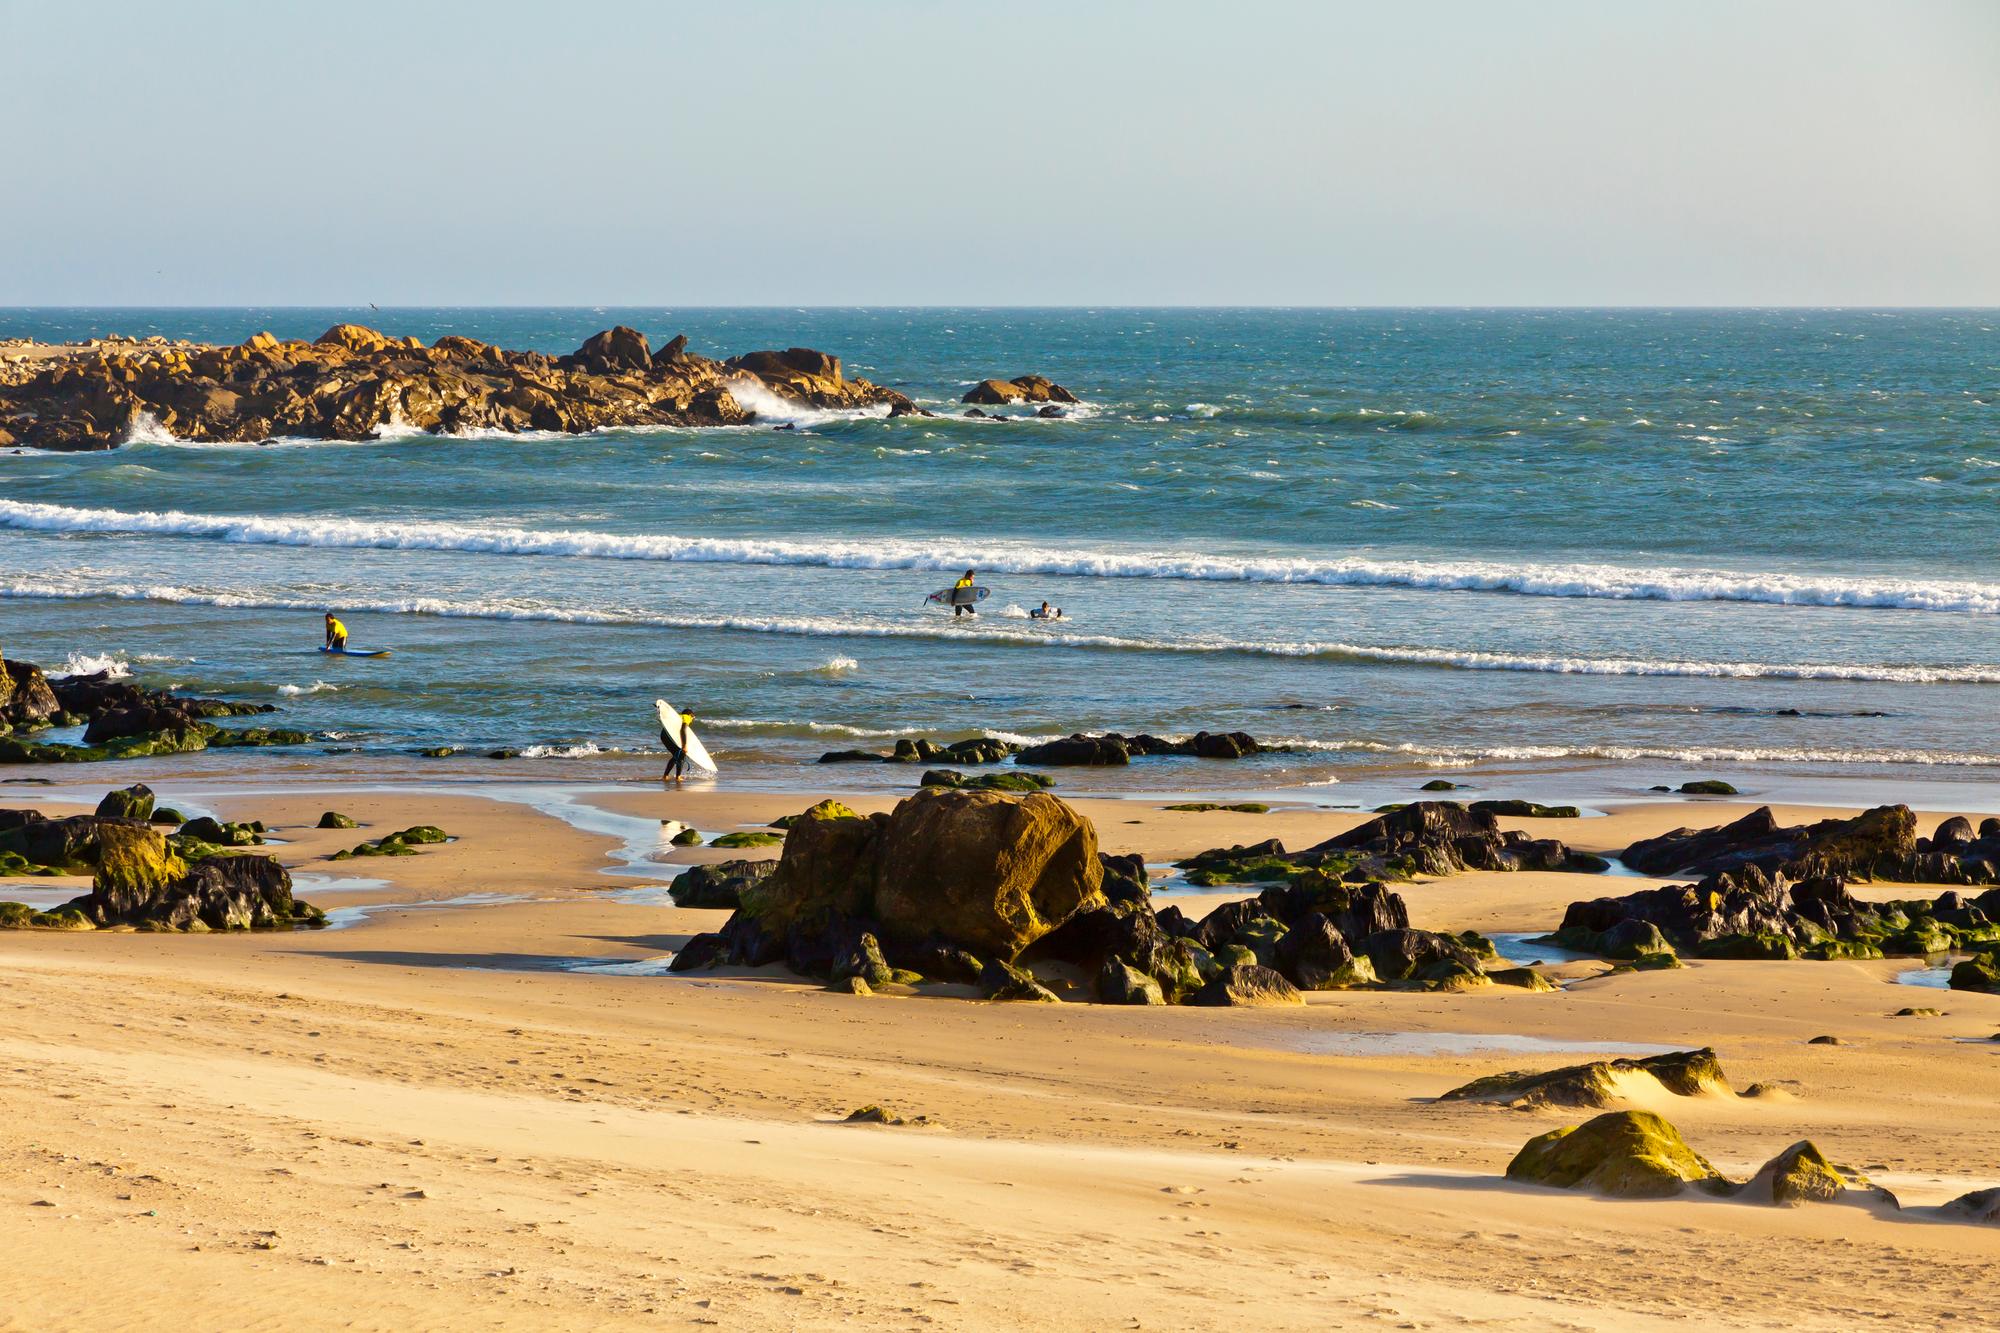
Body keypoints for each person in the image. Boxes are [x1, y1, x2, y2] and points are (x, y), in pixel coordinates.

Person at [661, 704, 696, 786]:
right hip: (668, 736)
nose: (692, 720)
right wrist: (684, 745)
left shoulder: (678, 717)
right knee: (681, 755)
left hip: (664, 735)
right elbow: (683, 730)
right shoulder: (687, 717)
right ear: (691, 715)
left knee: (676, 755)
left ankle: (665, 776)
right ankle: (678, 777)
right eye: (693, 718)